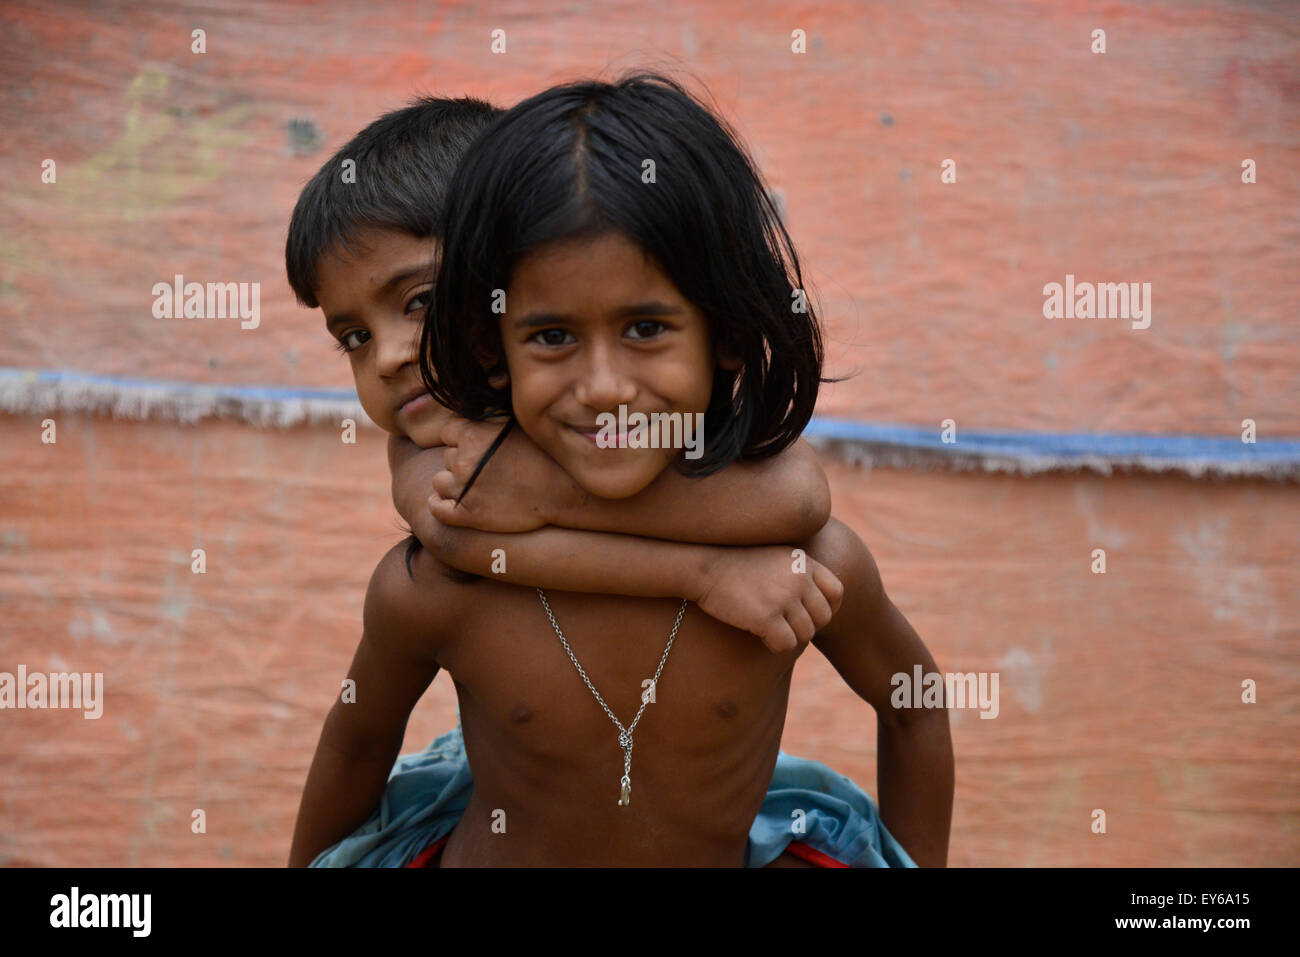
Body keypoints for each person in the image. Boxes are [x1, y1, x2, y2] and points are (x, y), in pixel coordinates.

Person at [286, 87, 944, 867]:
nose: (603, 386)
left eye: (645, 327)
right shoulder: (434, 578)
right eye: (554, 334)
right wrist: (702, 571)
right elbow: (358, 744)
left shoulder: (803, 573)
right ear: (491, 337)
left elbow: (913, 700)